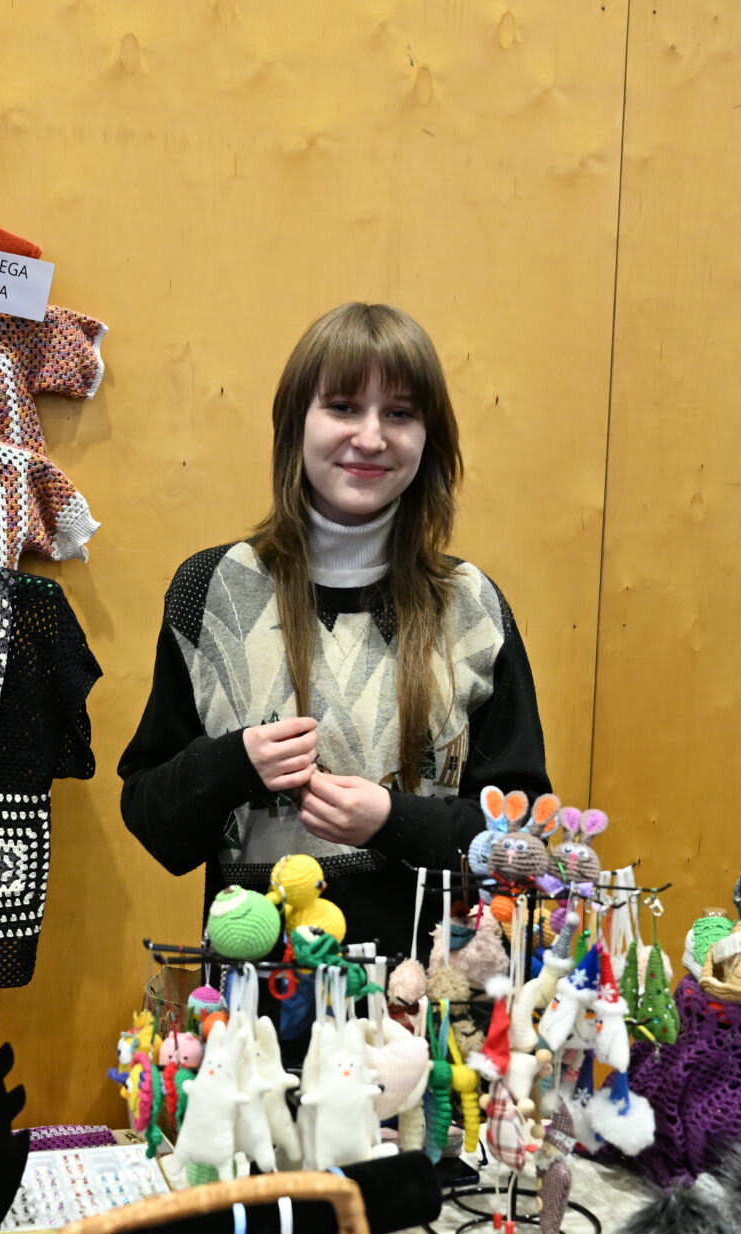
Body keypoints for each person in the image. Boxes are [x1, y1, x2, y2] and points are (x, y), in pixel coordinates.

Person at [118, 302, 549, 956]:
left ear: (429, 436)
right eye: (344, 406)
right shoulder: (213, 590)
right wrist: (235, 764)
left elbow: (525, 846)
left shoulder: (471, 606)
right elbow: (156, 826)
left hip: (432, 997)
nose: (371, 438)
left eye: (399, 413)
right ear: (296, 421)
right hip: (257, 1002)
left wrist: (394, 821)